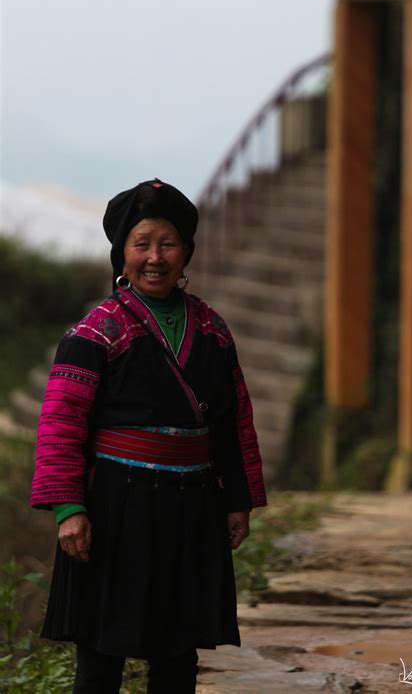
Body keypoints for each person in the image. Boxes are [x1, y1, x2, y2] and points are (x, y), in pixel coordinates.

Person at [30, 178, 267, 693]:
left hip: (192, 506)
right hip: (116, 507)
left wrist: (238, 500)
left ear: (186, 253)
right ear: (123, 254)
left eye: (168, 243)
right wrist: (70, 509)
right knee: (101, 653)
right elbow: (60, 424)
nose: (155, 257)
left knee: (179, 653)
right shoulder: (95, 332)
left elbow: (233, 422)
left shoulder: (212, 330)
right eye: (142, 244)